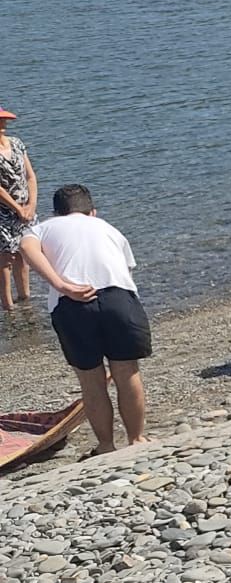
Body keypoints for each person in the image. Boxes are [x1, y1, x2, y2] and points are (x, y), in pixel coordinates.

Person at [17, 185, 152, 455]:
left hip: (72, 304)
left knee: (91, 380)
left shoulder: (43, 228)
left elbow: (25, 247)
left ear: (55, 213)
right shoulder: (108, 228)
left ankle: (105, 445)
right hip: (118, 297)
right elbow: (125, 270)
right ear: (92, 211)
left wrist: (61, 284)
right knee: (127, 372)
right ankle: (137, 439)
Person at [0, 106, 36, 311]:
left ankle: (25, 297)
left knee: (24, 253)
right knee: (5, 257)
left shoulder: (17, 143)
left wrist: (31, 205)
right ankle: (8, 305)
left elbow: (30, 176)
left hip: (25, 209)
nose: (3, 125)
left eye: (3, 121)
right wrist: (17, 208)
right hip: (3, 212)